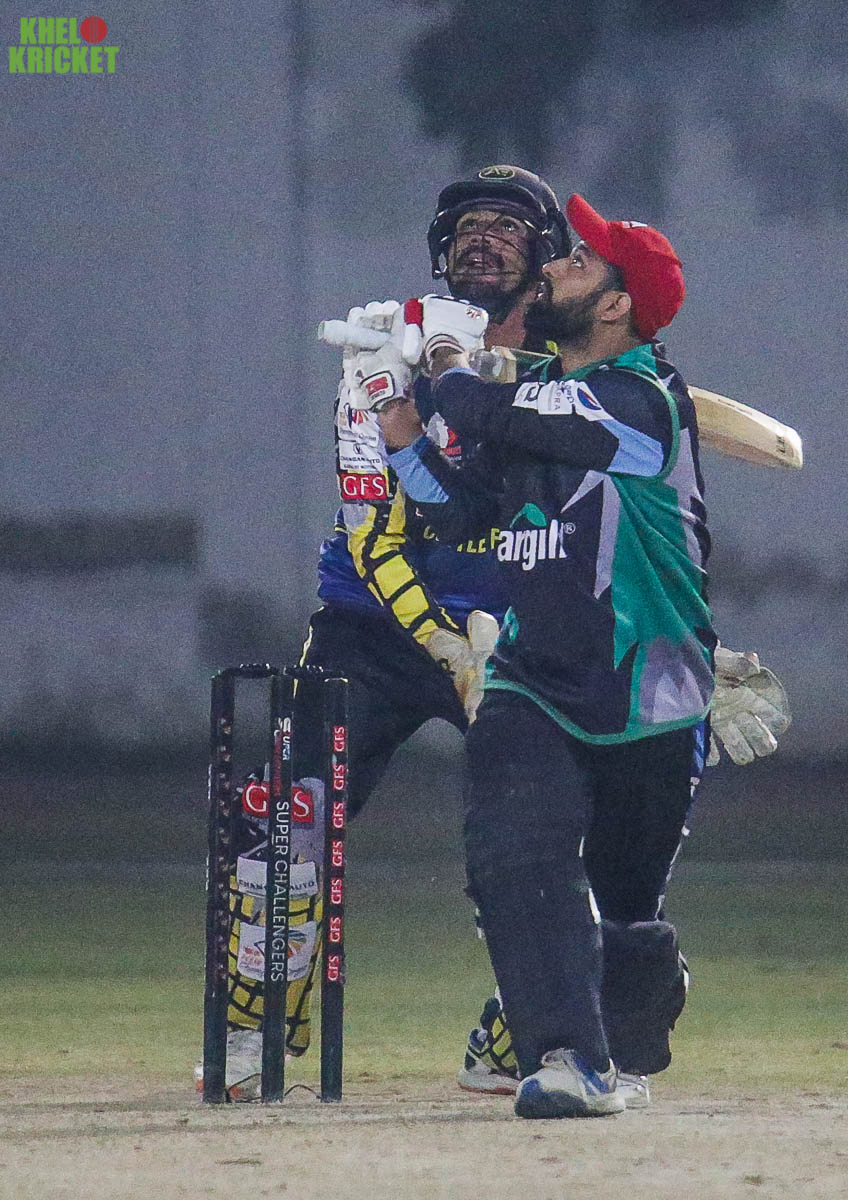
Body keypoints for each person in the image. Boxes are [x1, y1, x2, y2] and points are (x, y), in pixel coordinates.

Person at [194, 165, 573, 1100]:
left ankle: (525, 1036)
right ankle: (254, 1037)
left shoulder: (572, 367)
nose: (482, 240)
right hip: (372, 629)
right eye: (466, 228)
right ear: (440, 254)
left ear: (545, 260)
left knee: (551, 840)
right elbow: (371, 536)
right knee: (283, 822)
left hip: (517, 632)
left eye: (506, 227)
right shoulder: (379, 354)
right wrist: (443, 644)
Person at [379, 193, 724, 1118]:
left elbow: (486, 404)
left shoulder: (642, 400)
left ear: (614, 305)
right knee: (511, 853)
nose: (555, 264)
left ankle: (631, 1016)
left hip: (647, 687)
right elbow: (463, 518)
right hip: (532, 676)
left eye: (578, 262)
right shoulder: (537, 410)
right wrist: (404, 442)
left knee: (625, 909)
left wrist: (446, 361)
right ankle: (567, 1058)